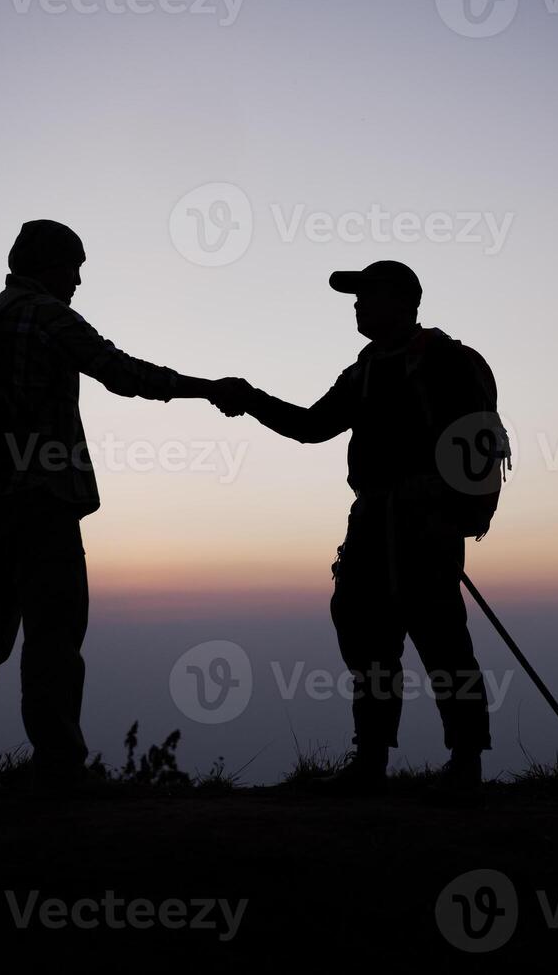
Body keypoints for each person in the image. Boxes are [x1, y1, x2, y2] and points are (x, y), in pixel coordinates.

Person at [0, 220, 247, 797]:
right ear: (49, 265)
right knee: (53, 642)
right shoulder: (48, 315)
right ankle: (57, 771)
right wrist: (208, 388)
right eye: (74, 266)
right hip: (42, 502)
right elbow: (123, 374)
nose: (79, 279)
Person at [214, 261, 506, 796]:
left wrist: (460, 521)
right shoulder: (368, 366)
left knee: (442, 644)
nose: (356, 305)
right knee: (366, 640)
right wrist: (252, 399)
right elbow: (313, 426)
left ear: (403, 302)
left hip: (425, 525)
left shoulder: (449, 363)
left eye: (367, 296)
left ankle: (465, 764)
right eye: (357, 298)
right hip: (371, 522)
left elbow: (481, 447)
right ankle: (371, 761)